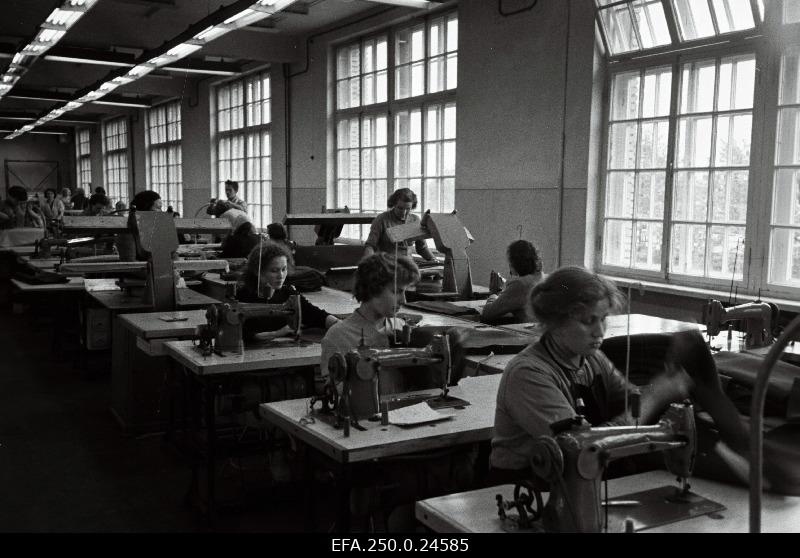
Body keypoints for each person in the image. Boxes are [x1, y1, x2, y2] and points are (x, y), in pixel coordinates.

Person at [489, 266, 694, 478]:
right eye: (588, 321)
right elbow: (581, 446)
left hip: (577, 479)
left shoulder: (592, 359)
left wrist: (657, 390)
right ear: (555, 322)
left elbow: (631, 401)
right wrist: (655, 397)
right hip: (525, 487)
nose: (600, 331)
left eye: (603, 318)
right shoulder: (527, 374)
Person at [319, 253, 420, 393]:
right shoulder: (337, 336)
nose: (404, 300)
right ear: (374, 288)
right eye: (397, 291)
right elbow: (334, 392)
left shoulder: (400, 327)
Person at [236, 242, 338, 342]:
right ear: (257, 271)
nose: (281, 276)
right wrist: (276, 333)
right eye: (274, 271)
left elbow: (315, 314)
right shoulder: (241, 296)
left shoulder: (288, 293)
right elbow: (242, 334)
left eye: (284, 269)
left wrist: (340, 325)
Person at [481, 239, 543, 324]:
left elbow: (487, 314)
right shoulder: (544, 278)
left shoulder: (520, 284)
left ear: (513, 263)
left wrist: (494, 293)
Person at [364, 188, 435, 261]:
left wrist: (434, 260)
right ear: (394, 204)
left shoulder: (415, 220)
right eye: (400, 208)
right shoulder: (381, 219)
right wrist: (368, 263)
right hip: (387, 265)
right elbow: (370, 245)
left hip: (408, 265)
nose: (404, 212)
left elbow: (422, 248)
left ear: (412, 206)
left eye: (408, 209)